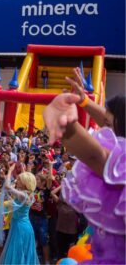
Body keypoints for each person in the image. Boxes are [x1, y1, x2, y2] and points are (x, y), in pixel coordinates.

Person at [43, 72, 124, 264]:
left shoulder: (120, 165)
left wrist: (64, 121)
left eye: (108, 126)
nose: (102, 130)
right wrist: (84, 101)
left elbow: (94, 155)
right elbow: (110, 118)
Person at [0, 166, 39, 264]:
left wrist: (10, 171)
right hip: (22, 225)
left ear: (25, 183)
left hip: (20, 227)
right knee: (21, 251)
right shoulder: (29, 193)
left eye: (19, 180)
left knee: (17, 251)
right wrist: (23, 170)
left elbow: (7, 187)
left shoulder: (22, 195)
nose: (17, 181)